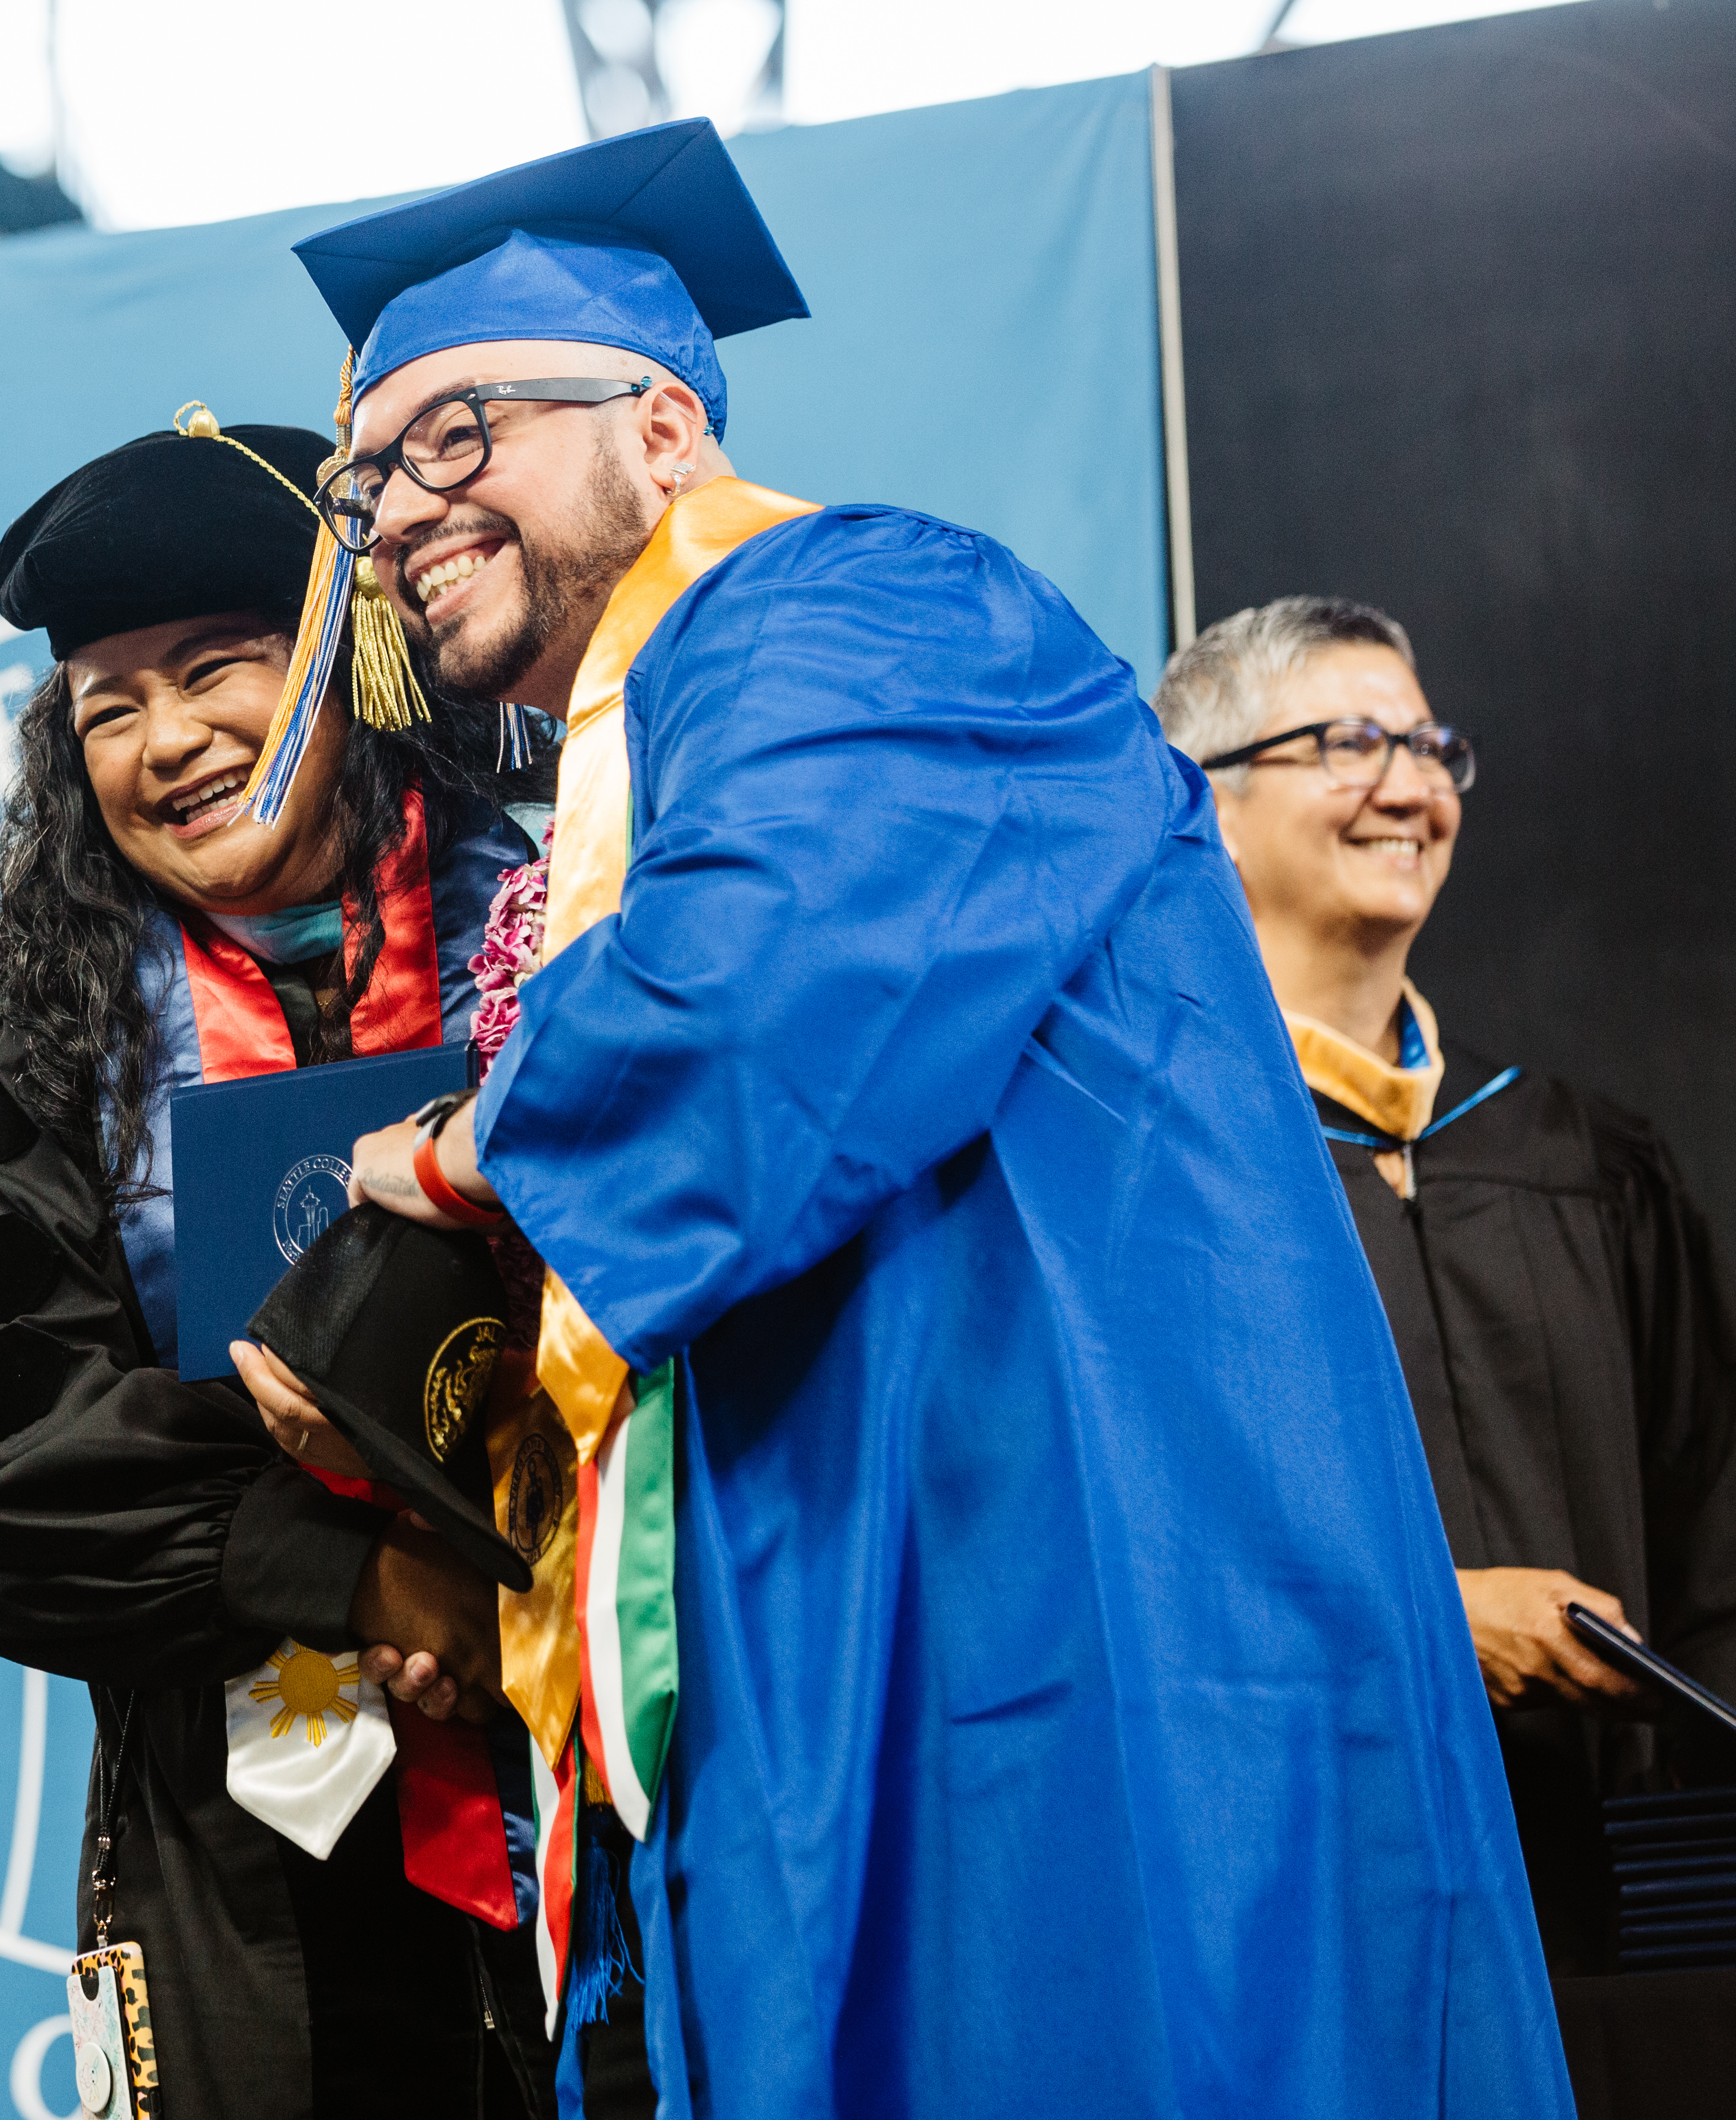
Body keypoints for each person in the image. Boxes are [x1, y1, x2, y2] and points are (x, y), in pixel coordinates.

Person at [244, 119, 1569, 2116]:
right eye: (368, 477)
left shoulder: (862, 605)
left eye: (462, 435)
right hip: (843, 1620)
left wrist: (421, 1160)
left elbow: (757, 1019)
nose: (402, 510)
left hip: (1055, 1606)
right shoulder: (672, 736)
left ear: (666, 426)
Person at [0, 411, 570, 2120]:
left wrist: (529, 1585)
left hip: (610, 1754)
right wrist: (351, 1576)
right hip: (251, 1854)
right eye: (108, 708)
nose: (168, 741)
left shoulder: (567, 940)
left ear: (351, 665)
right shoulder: (40, 1053)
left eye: (220, 667)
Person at [1156, 594, 1736, 1973]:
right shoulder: (1162, 1166)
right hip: (1287, 1893)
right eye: (1350, 743)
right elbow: (1150, 1546)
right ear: (1210, 806)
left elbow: (1711, 1525)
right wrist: (1434, 1619)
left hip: (1607, 1906)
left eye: (1432, 748)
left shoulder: (1580, 1157)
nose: (1410, 786)